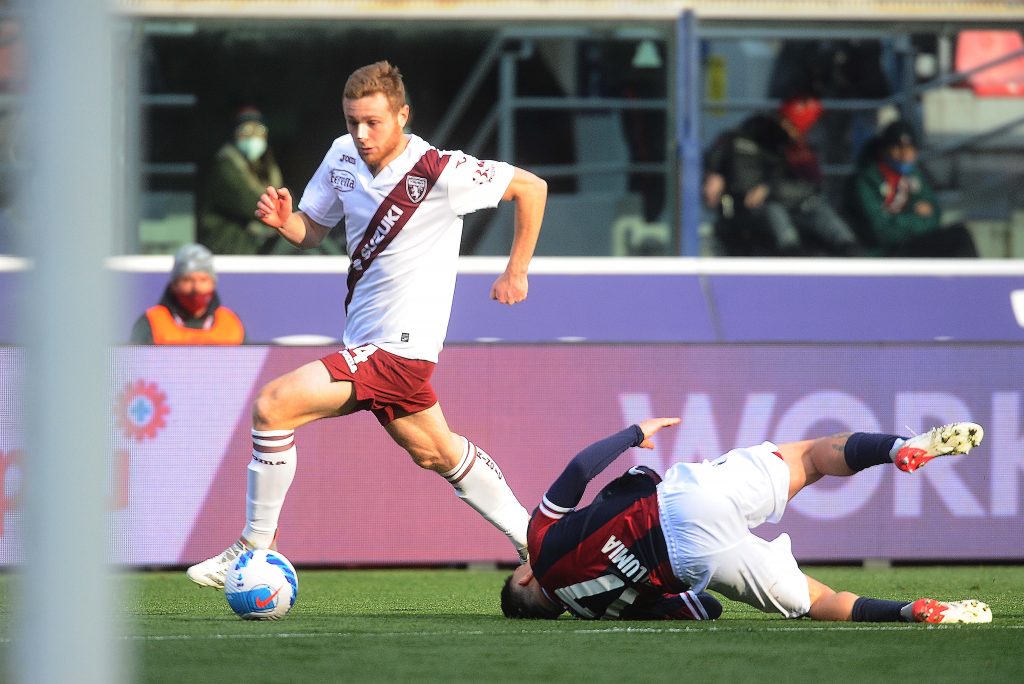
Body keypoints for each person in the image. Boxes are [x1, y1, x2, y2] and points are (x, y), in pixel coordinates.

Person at [187, 61, 548, 588]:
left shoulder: (442, 171)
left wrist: (515, 271)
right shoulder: (341, 155)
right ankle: (538, 543)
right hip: (370, 342)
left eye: (374, 122)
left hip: (399, 348)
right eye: (353, 120)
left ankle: (250, 549)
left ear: (403, 116)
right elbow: (311, 230)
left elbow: (532, 188)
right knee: (437, 452)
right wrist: (285, 221)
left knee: (273, 406)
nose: (361, 133)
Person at [502, 417, 991, 624]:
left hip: (698, 559)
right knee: (815, 456)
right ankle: (898, 448)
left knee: (815, 601)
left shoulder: (593, 612)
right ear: (524, 574)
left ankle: (911, 612)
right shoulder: (540, 543)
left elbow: (704, 609)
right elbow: (577, 471)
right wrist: (634, 432)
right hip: (681, 500)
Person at [703, 96, 860, 256]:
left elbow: (808, 188)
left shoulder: (798, 152)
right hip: (753, 210)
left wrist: (770, 190)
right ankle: (791, 255)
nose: (785, 127)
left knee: (818, 210)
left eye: (791, 125)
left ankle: (849, 250)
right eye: (784, 121)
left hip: (791, 205)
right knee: (775, 212)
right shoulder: (755, 135)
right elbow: (724, 145)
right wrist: (714, 171)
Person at [847, 120, 978, 257]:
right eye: (898, 148)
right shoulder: (866, 180)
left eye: (910, 149)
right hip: (882, 253)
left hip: (911, 244)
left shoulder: (913, 175)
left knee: (959, 235)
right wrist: (914, 215)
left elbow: (935, 216)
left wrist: (897, 219)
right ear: (884, 149)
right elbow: (881, 231)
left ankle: (975, 278)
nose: (904, 155)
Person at [197, 107, 286, 255]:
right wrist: (283, 213)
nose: (253, 136)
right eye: (246, 131)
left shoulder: (267, 165)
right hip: (226, 245)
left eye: (259, 130)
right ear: (234, 134)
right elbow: (249, 202)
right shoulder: (225, 164)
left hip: (254, 246)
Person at [129, 243, 246, 345]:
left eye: (203, 280)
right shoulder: (152, 322)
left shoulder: (231, 322)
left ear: (213, 283)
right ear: (174, 284)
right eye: (187, 280)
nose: (196, 288)